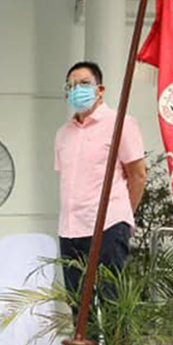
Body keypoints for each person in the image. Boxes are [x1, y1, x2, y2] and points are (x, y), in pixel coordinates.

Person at [53, 61, 146, 302]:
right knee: (77, 303)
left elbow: (137, 175)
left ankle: (116, 339)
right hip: (70, 228)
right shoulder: (63, 134)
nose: (77, 90)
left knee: (111, 300)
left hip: (108, 224)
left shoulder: (120, 123)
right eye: (71, 86)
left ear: (100, 89)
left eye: (84, 83)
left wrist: (123, 216)